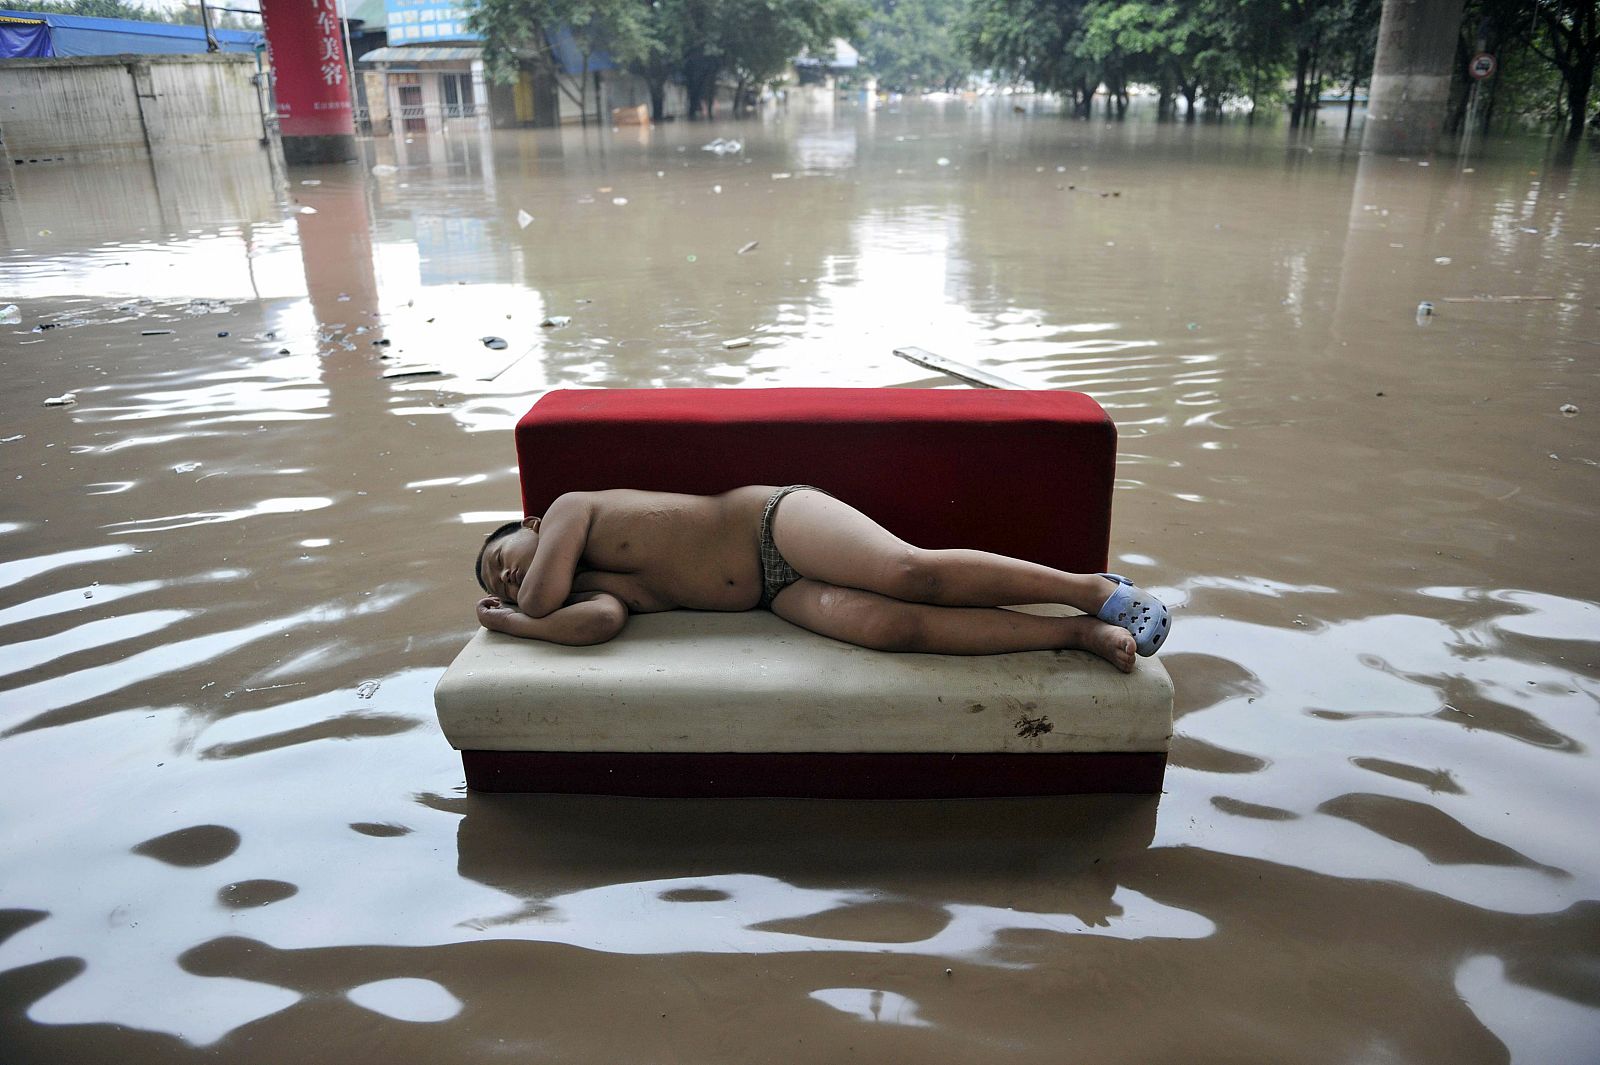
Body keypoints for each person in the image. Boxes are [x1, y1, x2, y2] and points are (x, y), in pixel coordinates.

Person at [473, 485, 1170, 673]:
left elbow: (540, 598)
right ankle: (1075, 633)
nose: (509, 582)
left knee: (908, 572)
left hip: (771, 521)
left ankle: (1090, 587)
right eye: (498, 586)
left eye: (504, 559)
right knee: (892, 629)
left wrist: (520, 609)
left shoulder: (569, 511)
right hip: (778, 594)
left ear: (530, 523)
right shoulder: (594, 591)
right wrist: (510, 621)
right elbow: (596, 625)